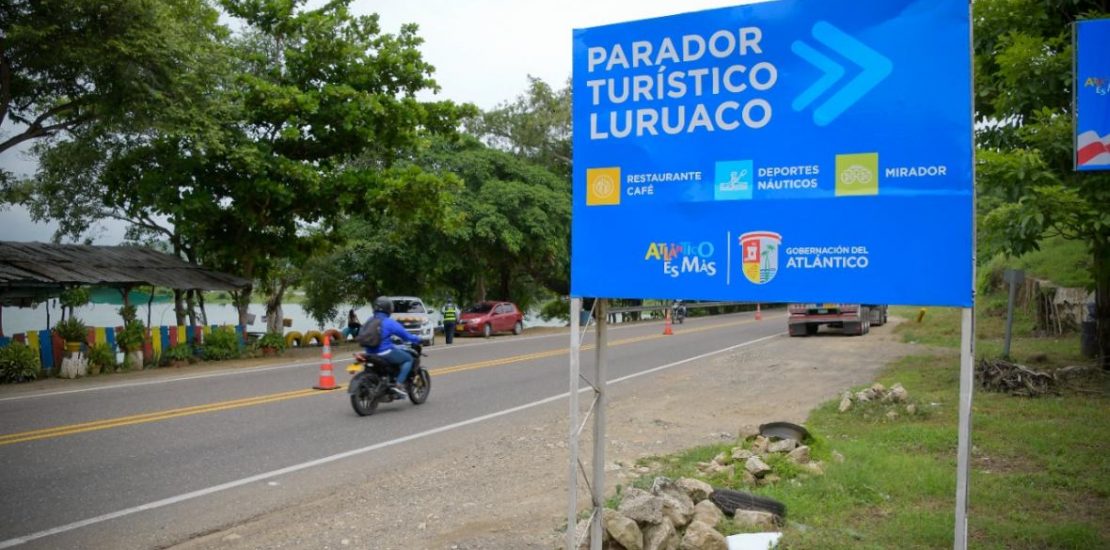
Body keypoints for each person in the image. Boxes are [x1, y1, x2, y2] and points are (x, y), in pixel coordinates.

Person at [360, 297, 422, 396]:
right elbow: (406, 336)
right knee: (408, 359)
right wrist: (417, 339)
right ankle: (398, 384)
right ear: (388, 308)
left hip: (369, 352)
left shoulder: (369, 320)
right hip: (384, 352)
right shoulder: (389, 322)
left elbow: (361, 333)